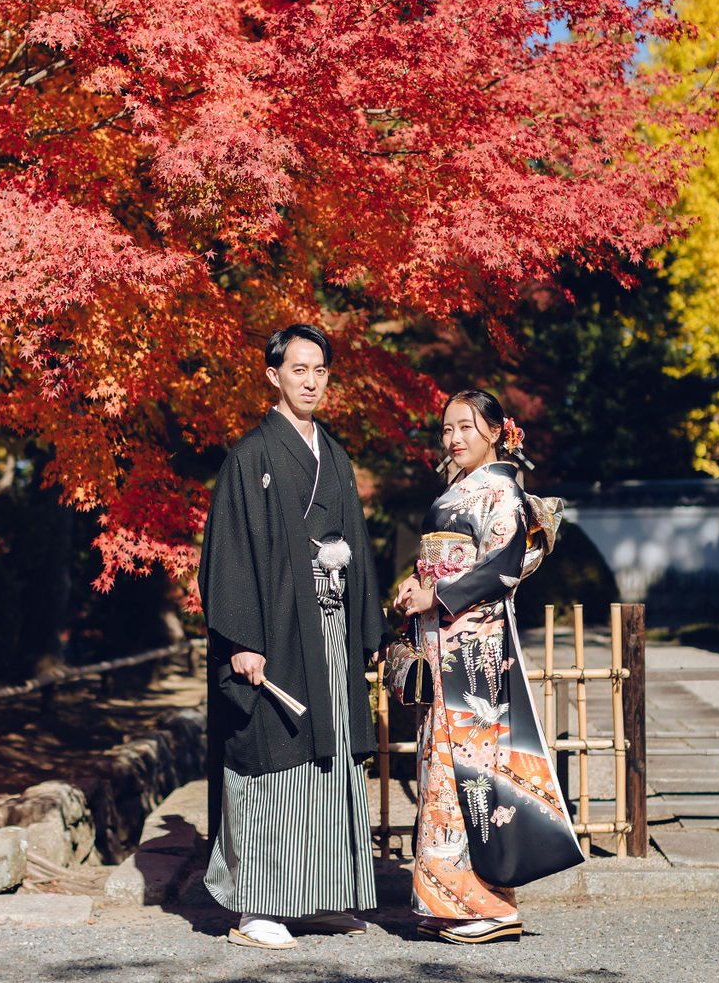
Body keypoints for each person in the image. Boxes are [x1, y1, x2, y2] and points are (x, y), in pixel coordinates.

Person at [198, 323, 386, 949]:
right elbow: (227, 553)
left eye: (321, 370)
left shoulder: (334, 456)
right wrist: (241, 639)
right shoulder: (249, 457)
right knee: (273, 757)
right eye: (299, 369)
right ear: (273, 375)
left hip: (328, 627)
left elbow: (356, 546)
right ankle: (256, 906)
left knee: (331, 758)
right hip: (275, 632)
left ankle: (321, 898)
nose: (311, 380)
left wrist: (366, 629)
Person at [393, 389, 583, 944]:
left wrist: (439, 596)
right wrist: (417, 585)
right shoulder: (453, 491)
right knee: (443, 771)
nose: (454, 438)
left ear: (496, 432)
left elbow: (503, 567)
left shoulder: (502, 491)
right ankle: (452, 902)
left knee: (471, 775)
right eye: (447, 429)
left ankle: (489, 907)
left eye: (466, 427)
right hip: (442, 642)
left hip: (475, 649)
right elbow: (439, 560)